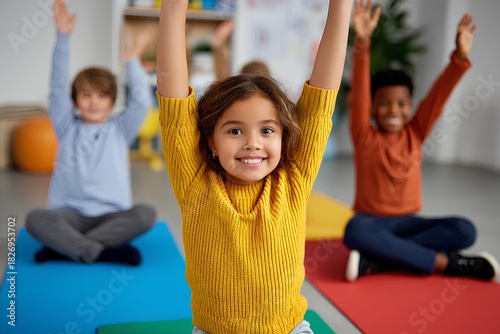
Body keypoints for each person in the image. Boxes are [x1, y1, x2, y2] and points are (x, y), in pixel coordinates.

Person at [156, 0, 352, 332]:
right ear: (211, 143)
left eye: (267, 130)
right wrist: (173, 10)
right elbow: (173, 102)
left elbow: (322, 100)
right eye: (235, 130)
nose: (253, 142)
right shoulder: (196, 182)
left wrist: (342, 6)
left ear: (282, 137)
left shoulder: (293, 179)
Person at [343, 0, 499, 282]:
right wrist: (362, 42)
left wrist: (458, 59)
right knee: (355, 231)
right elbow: (358, 98)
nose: (393, 110)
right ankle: (445, 263)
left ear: (410, 106)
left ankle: (381, 259)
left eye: (401, 103)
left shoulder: (415, 132)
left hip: (409, 224)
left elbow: (437, 98)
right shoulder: (364, 136)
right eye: (384, 103)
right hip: (372, 223)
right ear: (373, 108)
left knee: (465, 230)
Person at [25, 0, 156, 266]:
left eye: (102, 96)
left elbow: (141, 102)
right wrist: (63, 38)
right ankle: (100, 252)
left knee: (146, 214)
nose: (94, 102)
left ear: (112, 102)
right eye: (86, 95)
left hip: (112, 215)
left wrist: (132, 63)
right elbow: (57, 86)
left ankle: (64, 247)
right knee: (35, 220)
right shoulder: (66, 125)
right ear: (75, 101)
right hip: (69, 215)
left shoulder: (120, 129)